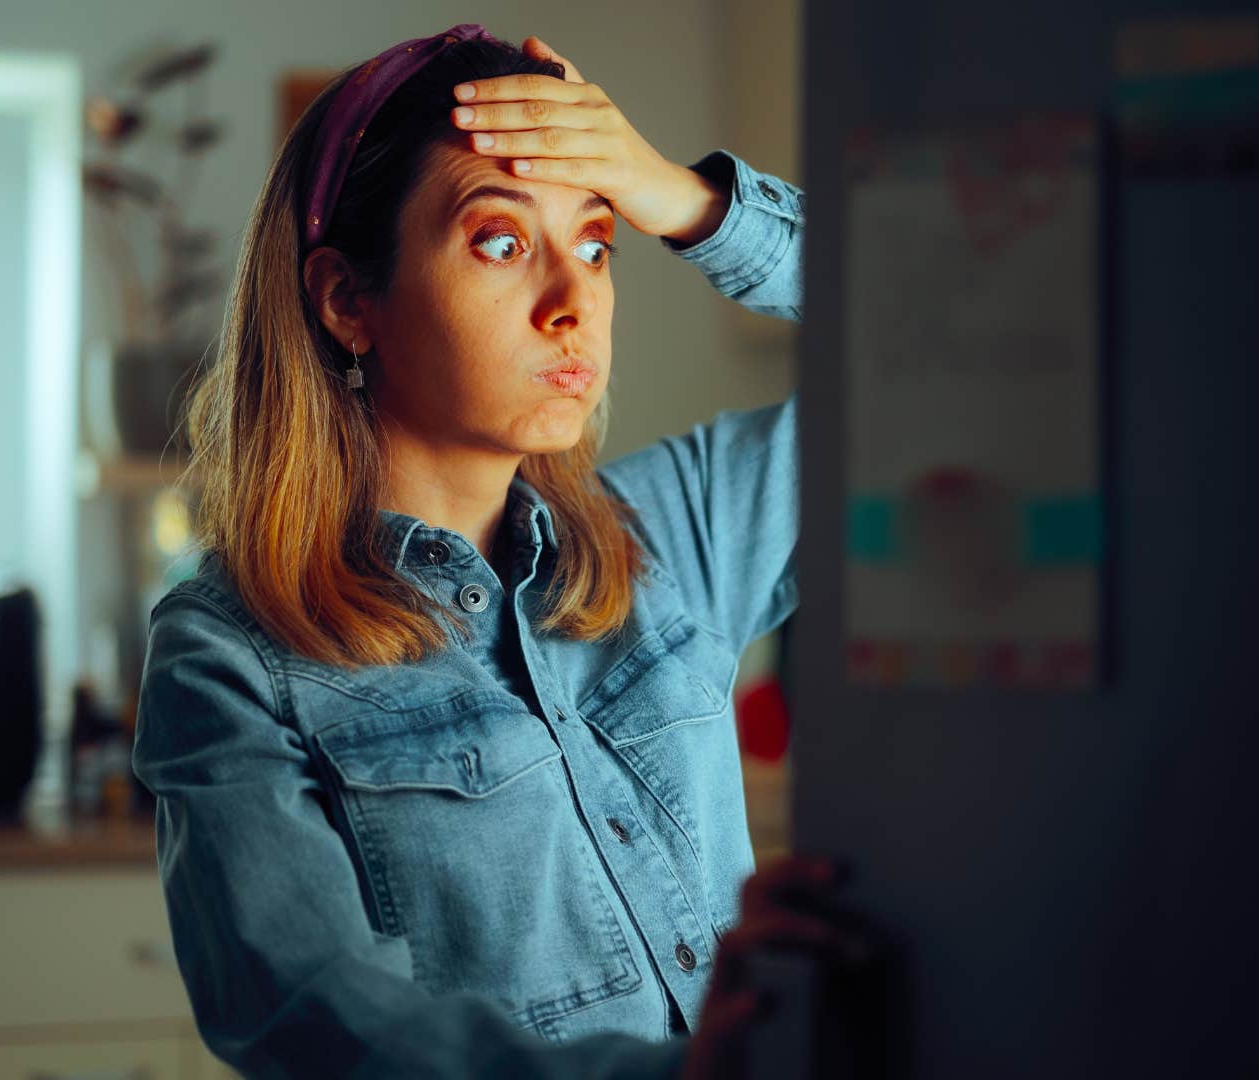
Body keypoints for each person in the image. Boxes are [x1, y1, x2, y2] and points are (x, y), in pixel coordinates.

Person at [131, 23, 860, 1079]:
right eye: (502, 242)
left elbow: (935, 330)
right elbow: (315, 1014)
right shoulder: (233, 654)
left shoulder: (673, 533)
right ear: (348, 301)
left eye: (599, 243)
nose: (576, 304)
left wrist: (684, 200)